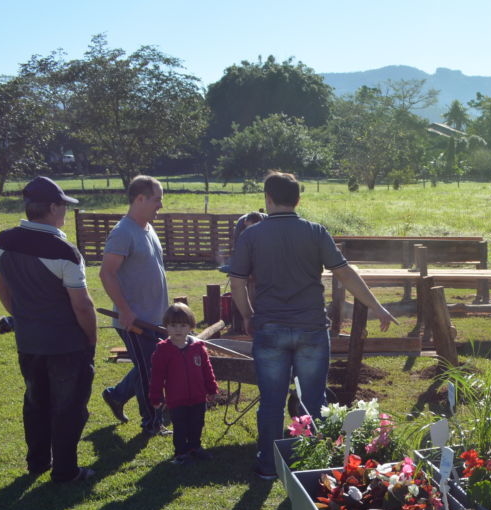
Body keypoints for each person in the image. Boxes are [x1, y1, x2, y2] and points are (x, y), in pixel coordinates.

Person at [230, 171, 398, 481]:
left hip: (269, 327)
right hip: (311, 329)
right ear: (297, 200)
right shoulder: (315, 231)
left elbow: (237, 281)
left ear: (267, 199)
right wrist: (377, 307)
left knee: (271, 401)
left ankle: (268, 464)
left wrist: (247, 315)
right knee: (313, 400)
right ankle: (312, 463)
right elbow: (345, 274)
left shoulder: (250, 236)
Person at [0, 176, 98, 483]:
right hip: (66, 345)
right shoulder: (65, 251)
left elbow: (1, 289)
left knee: (36, 403)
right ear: (52, 208)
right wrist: (90, 338)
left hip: (29, 341)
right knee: (69, 408)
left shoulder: (1, 241)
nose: (64, 212)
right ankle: (65, 470)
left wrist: (25, 318)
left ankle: (38, 461)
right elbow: (82, 306)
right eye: (63, 206)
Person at [99, 175, 171, 435]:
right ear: (140, 199)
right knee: (150, 371)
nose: (160, 205)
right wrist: (126, 311)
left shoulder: (147, 228)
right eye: (156, 200)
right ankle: (152, 423)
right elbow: (107, 273)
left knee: (148, 366)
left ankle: (116, 396)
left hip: (154, 317)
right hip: (135, 320)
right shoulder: (122, 232)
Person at [148, 303, 219, 465]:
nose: (178, 329)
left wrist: (212, 388)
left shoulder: (198, 348)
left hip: (198, 396)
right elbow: (157, 376)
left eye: (183, 325)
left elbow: (207, 370)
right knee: (180, 426)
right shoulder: (163, 350)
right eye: (173, 325)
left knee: (197, 423)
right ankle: (181, 452)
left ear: (190, 327)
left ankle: (195, 447)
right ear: (166, 326)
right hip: (176, 398)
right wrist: (156, 396)